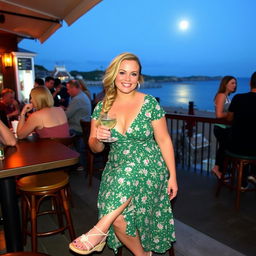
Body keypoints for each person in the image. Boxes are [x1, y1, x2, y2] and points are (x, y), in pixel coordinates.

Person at [69, 53, 177, 255]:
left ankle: (98, 231)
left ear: (139, 78)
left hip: (149, 166)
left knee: (129, 171)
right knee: (117, 216)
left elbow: (164, 140)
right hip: (117, 167)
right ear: (113, 75)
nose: (127, 79)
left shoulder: (150, 103)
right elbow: (95, 148)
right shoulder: (103, 107)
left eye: (133, 74)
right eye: (122, 72)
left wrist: (173, 176)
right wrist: (98, 138)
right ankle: (142, 254)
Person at [227, 72, 256, 186]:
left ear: (249, 83)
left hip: (235, 146)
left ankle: (243, 182)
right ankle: (252, 175)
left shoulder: (238, 98)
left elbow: (229, 118)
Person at [212, 76, 236, 179]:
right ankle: (217, 169)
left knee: (224, 148)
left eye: (235, 83)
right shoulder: (221, 95)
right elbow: (218, 115)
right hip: (221, 128)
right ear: (225, 84)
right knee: (224, 148)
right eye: (232, 83)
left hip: (225, 128)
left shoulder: (227, 97)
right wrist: (231, 114)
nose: (234, 85)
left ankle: (222, 171)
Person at [65, 79, 92, 170]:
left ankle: (72, 163)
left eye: (68, 89)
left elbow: (67, 115)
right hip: (84, 128)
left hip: (78, 129)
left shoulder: (77, 99)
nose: (67, 92)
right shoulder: (82, 96)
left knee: (59, 135)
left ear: (74, 88)